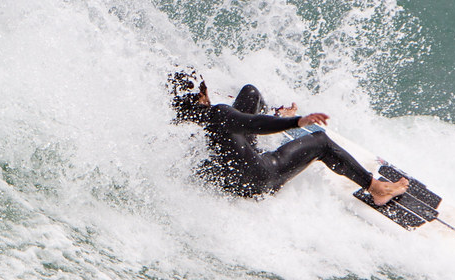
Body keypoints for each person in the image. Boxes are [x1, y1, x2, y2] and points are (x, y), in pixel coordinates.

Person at [168, 69, 409, 205]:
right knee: (321, 142)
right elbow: (254, 124)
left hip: (228, 179)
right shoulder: (218, 113)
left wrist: (276, 117)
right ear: (202, 93)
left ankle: (276, 113)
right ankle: (376, 187)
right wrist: (294, 122)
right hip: (258, 181)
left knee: (249, 93)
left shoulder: (178, 126)